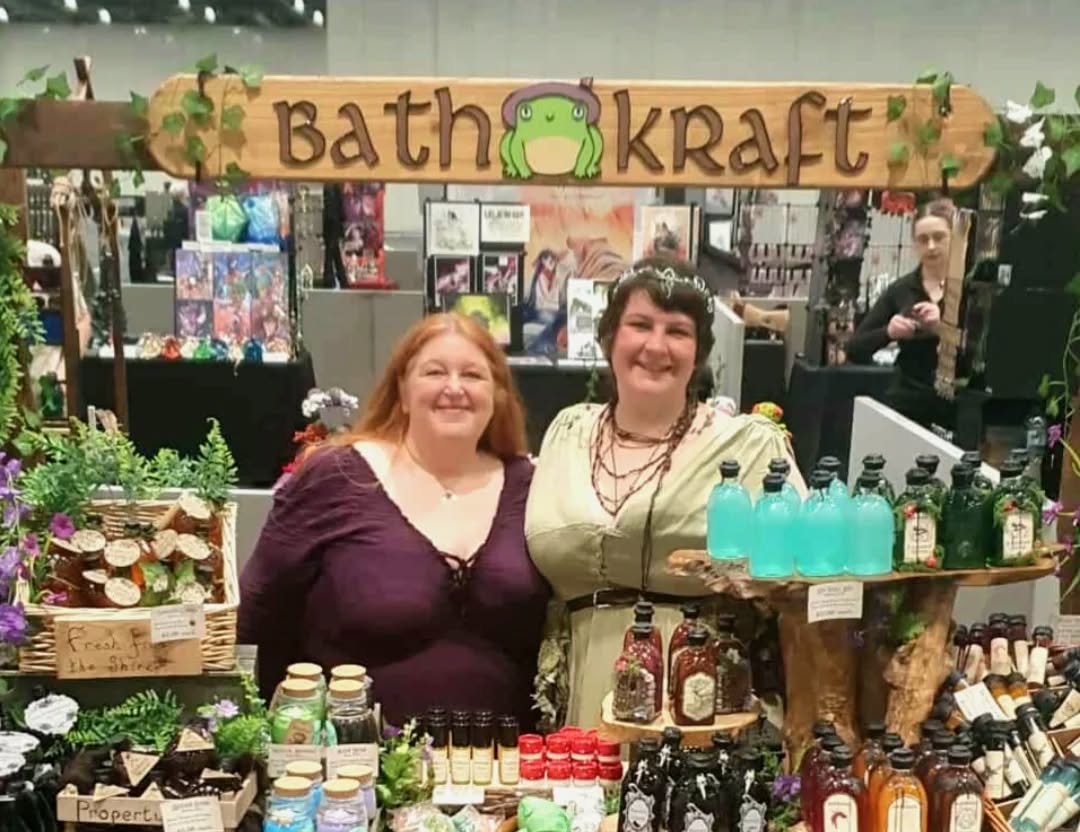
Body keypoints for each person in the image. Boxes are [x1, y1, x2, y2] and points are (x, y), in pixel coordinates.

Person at [525, 258, 802, 728]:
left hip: (699, 711)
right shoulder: (566, 432)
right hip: (575, 713)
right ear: (609, 336)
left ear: (700, 352)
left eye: (678, 331)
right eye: (640, 324)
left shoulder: (750, 447)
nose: (656, 346)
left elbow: (802, 587)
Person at [239, 313, 549, 725]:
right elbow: (259, 615)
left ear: (498, 394)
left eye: (473, 375)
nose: (454, 388)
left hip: (505, 775)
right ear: (402, 391)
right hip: (355, 778)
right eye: (434, 372)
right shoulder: (335, 476)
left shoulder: (536, 489)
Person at [845, 198, 956, 428]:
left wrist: (942, 326)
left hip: (958, 405)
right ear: (915, 244)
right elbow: (855, 348)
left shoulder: (970, 289)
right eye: (923, 240)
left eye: (939, 237)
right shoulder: (901, 290)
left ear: (954, 237)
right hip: (907, 404)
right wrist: (889, 332)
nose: (931, 246)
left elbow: (985, 351)